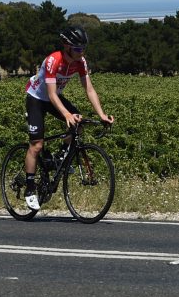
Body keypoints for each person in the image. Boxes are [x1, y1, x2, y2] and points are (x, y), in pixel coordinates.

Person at [23, 25, 114, 210]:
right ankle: (30, 188)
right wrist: (66, 114)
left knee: (79, 123)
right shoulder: (53, 61)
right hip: (37, 98)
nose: (82, 52)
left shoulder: (81, 62)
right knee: (37, 145)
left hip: (53, 97)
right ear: (67, 46)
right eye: (78, 49)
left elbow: (89, 89)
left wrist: (102, 114)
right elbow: (51, 95)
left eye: (83, 49)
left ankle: (61, 156)